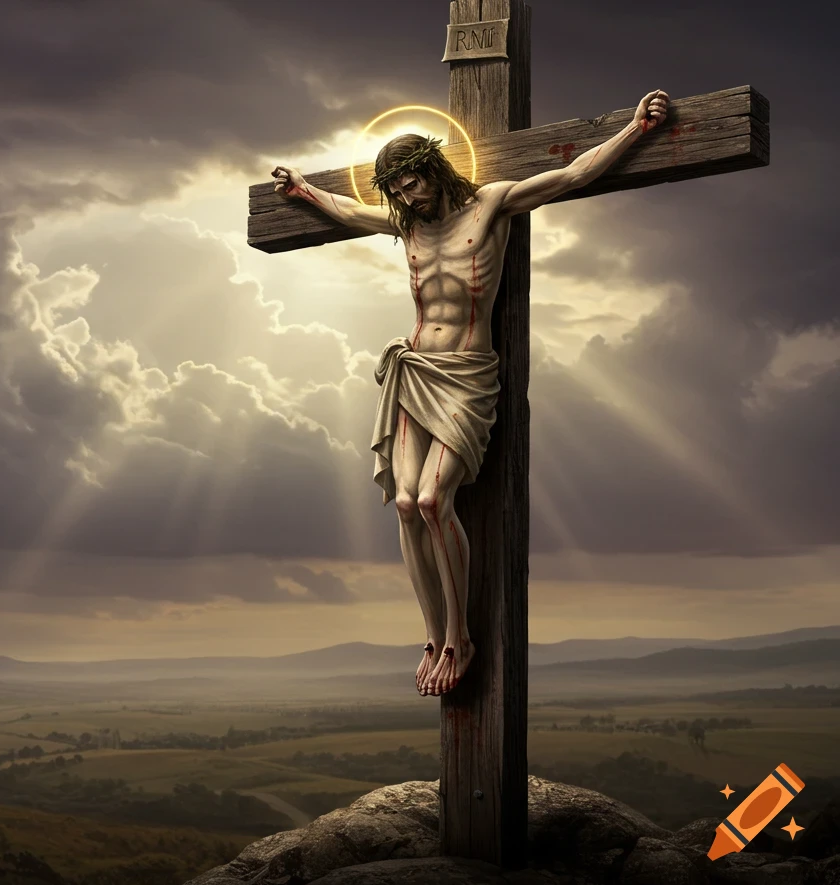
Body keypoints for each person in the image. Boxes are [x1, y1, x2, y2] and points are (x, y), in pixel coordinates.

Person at [272, 90, 670, 696]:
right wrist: (304, 189)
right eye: (398, 191)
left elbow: (570, 174)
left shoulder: (490, 205)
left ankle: (461, 636)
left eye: (413, 183)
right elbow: (350, 213)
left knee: (434, 500)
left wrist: (635, 130)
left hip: (465, 373)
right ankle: (432, 636)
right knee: (404, 505)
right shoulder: (406, 224)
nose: (408, 197)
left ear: (434, 168)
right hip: (414, 370)